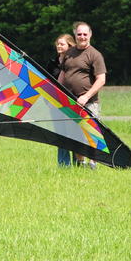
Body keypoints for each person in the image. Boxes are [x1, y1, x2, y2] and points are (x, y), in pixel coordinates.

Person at [60, 21, 106, 168]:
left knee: (91, 134)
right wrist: (57, 91)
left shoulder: (95, 55)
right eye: (79, 34)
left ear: (90, 35)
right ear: (75, 35)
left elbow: (101, 79)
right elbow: (63, 73)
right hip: (70, 101)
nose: (82, 37)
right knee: (75, 134)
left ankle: (93, 163)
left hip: (89, 102)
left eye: (85, 34)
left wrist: (86, 96)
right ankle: (81, 163)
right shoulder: (69, 53)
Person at [49, 34, 76, 167]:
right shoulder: (52, 62)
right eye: (58, 44)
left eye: (62, 44)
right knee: (61, 134)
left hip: (72, 102)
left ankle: (78, 162)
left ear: (70, 46)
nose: (59, 46)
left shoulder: (75, 61)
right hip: (55, 103)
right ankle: (64, 164)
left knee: (75, 134)